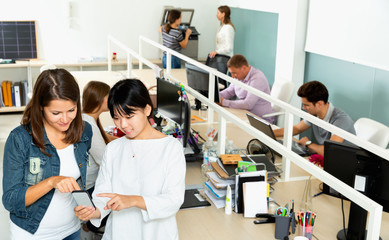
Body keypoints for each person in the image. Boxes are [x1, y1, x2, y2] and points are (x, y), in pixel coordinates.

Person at [74, 79, 186, 239]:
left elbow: (173, 200)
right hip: (119, 233)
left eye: (129, 116)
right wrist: (94, 212)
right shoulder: (113, 149)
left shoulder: (170, 148)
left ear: (147, 109)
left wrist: (133, 200)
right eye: (117, 118)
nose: (123, 124)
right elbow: (102, 194)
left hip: (156, 234)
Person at [2, 69, 92, 239]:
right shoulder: (20, 139)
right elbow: (11, 200)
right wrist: (51, 182)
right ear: (41, 107)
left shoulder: (84, 131)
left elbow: (80, 178)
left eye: (71, 110)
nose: (65, 119)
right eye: (56, 113)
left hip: (71, 230)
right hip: (32, 233)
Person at [273, 81, 356, 156]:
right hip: (329, 159)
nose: (303, 108)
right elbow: (297, 128)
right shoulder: (315, 113)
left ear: (319, 104)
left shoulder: (341, 120)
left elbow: (330, 151)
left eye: (307, 105)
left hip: (343, 162)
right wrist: (269, 133)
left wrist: (308, 144)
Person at [81, 81, 117, 234]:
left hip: (88, 180)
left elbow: (104, 138)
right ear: (101, 98)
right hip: (90, 186)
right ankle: (89, 226)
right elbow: (104, 160)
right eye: (109, 96)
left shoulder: (87, 118)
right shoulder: (88, 125)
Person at [218, 54, 275, 123]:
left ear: (244, 68)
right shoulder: (239, 76)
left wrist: (224, 102)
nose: (233, 76)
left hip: (260, 119)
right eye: (231, 73)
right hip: (245, 114)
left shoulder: (257, 78)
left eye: (234, 73)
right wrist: (216, 96)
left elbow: (248, 104)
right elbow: (229, 92)